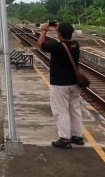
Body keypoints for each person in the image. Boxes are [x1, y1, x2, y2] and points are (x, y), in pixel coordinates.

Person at [37, 21, 84, 149]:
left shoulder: (57, 47)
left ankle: (64, 138)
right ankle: (77, 136)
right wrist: (61, 28)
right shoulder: (76, 44)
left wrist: (44, 30)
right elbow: (65, 36)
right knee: (75, 109)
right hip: (75, 84)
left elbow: (40, 43)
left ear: (59, 34)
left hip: (60, 85)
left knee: (61, 111)